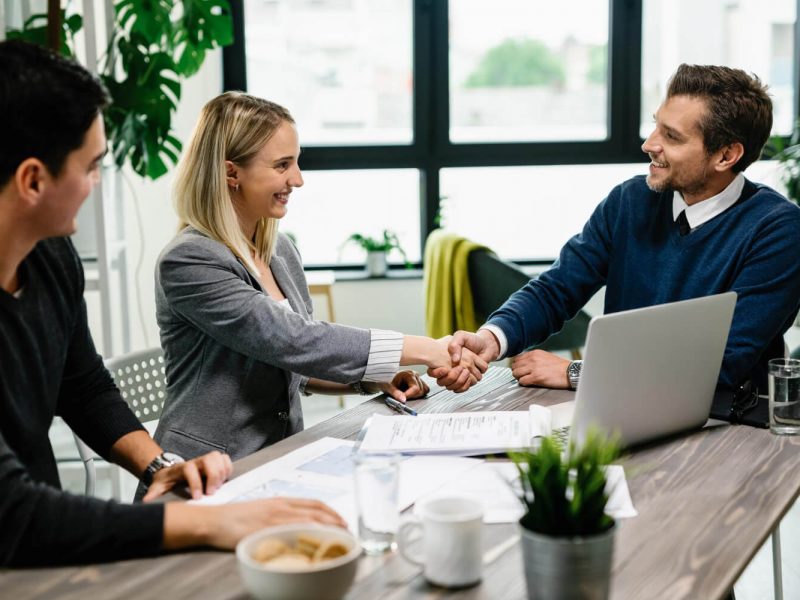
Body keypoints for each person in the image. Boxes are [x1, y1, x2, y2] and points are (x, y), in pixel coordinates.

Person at [0, 40, 345, 568]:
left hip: (37, 552)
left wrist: (158, 464)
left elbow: (83, 386)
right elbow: (14, 511)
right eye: (92, 167)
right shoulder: (190, 258)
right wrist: (211, 520)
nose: (97, 185)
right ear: (32, 180)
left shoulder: (51, 258)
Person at [152, 92, 486, 463]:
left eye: (296, 162)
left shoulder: (280, 250)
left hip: (279, 455)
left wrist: (371, 379)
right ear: (231, 172)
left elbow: (296, 364)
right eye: (282, 165)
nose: (297, 179)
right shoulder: (189, 260)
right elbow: (294, 341)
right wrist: (428, 348)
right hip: (204, 467)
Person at [444, 64, 800, 394]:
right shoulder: (631, 199)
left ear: (726, 156)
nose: (649, 144)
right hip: (620, 408)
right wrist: (493, 337)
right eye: (656, 125)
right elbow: (558, 287)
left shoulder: (778, 231)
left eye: (672, 137)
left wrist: (578, 373)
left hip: (727, 428)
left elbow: (721, 365)